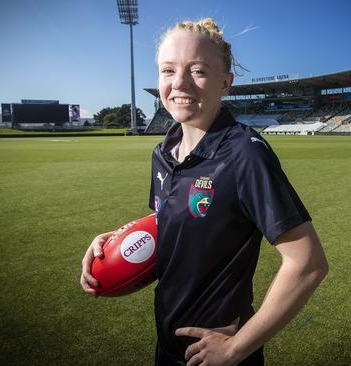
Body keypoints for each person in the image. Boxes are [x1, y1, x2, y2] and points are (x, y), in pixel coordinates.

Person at [81, 18, 328, 366]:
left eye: (197, 70)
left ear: (225, 83)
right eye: (168, 70)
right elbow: (173, 219)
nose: (178, 83)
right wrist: (112, 240)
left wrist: (237, 346)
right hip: (168, 346)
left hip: (219, 353)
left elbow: (308, 262)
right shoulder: (162, 153)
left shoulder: (245, 153)